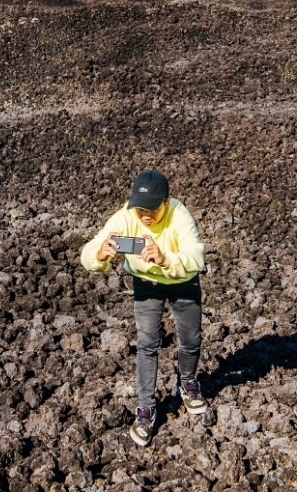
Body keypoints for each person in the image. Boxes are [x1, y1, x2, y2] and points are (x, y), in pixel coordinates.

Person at [80, 168, 207, 447]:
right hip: (146, 284)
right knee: (147, 344)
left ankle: (187, 383)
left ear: (167, 201)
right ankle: (146, 408)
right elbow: (88, 253)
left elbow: (196, 256)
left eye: (152, 210)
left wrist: (164, 259)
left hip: (182, 280)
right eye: (140, 210)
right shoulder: (125, 217)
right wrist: (100, 254)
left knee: (191, 339)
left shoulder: (179, 214)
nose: (145, 216)